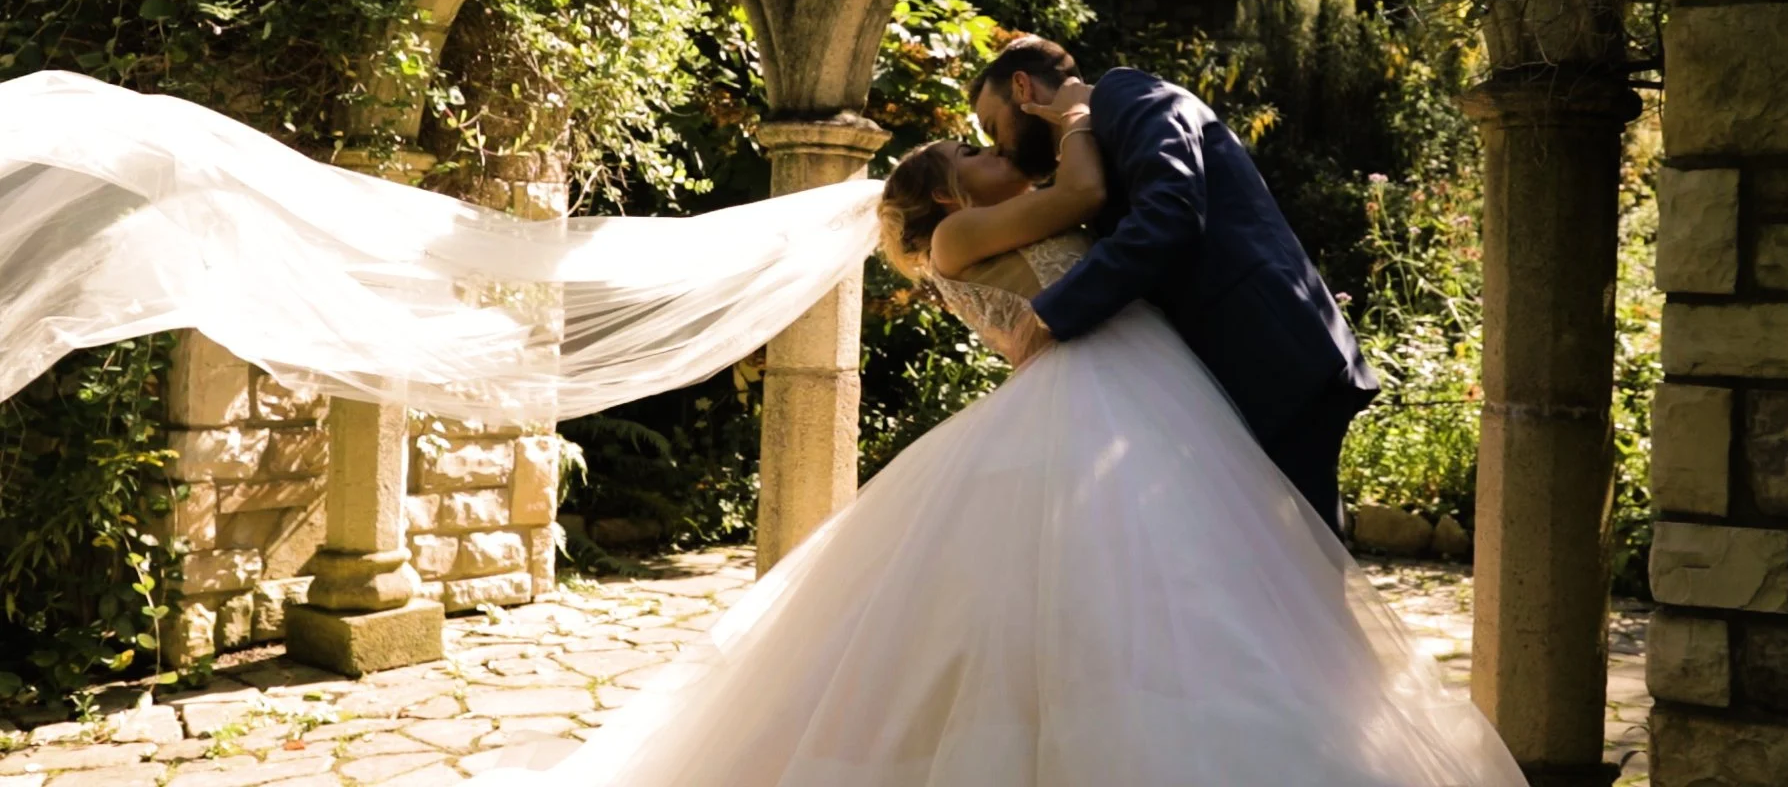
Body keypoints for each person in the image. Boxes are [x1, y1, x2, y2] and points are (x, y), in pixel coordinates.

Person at [463, 92, 1523, 786]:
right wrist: (1072, 114)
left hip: (1141, 382)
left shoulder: (977, 223)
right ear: (944, 192)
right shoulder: (962, 236)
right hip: (1099, 392)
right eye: (970, 155)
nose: (986, 159)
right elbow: (1088, 194)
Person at [969, 35, 1377, 532]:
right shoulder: (1093, 138)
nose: (999, 148)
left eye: (994, 127)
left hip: (1271, 353)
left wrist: (1050, 315)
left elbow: (1171, 215)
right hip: (1240, 365)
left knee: (1305, 564)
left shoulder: (1124, 93)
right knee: (1270, 569)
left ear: (1021, 86)